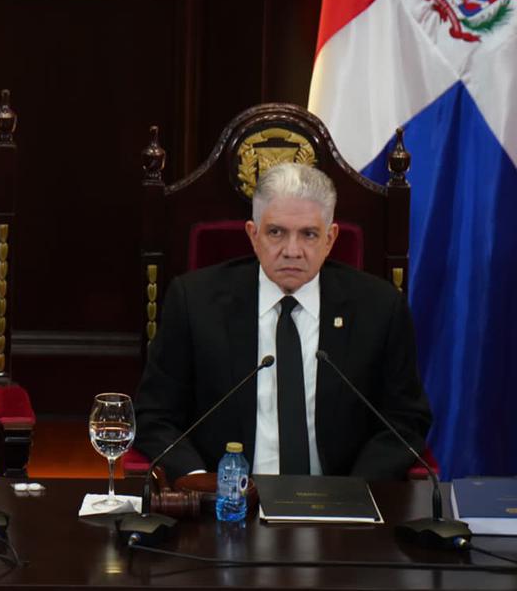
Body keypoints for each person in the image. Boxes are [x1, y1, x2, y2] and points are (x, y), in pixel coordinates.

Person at [134, 162, 432, 481]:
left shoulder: (379, 308)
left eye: (309, 234)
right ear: (253, 235)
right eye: (276, 232)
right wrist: (200, 481)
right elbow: (154, 416)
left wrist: (354, 492)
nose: (292, 251)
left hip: (340, 500)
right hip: (225, 498)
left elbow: (405, 420)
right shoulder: (194, 302)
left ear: (330, 238)